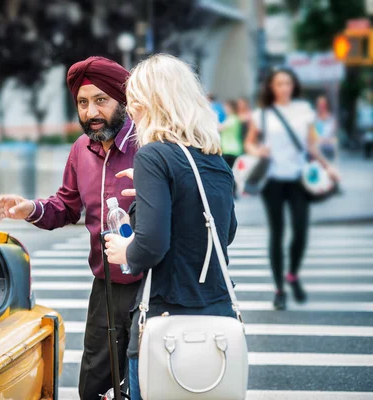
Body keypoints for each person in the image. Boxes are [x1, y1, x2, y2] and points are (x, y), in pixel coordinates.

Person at [0, 56, 141, 399]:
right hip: (106, 287)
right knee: (94, 383)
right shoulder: (81, 150)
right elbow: (65, 206)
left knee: (143, 379)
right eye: (83, 103)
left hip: (153, 284)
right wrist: (30, 208)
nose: (91, 112)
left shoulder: (149, 145)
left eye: (100, 100)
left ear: (123, 100)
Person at [103, 54, 238, 400]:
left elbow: (151, 246)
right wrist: (155, 193)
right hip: (217, 313)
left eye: (135, 103)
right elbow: (226, 230)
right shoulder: (215, 160)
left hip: (167, 316)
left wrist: (122, 252)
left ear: (152, 104)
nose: (131, 113)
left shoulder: (152, 157)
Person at [244, 67, 340, 310]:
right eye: (279, 83)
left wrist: (328, 167)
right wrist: (257, 151)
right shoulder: (262, 114)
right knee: (277, 233)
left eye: (288, 83)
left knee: (300, 231)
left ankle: (293, 274)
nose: (284, 87)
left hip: (298, 178)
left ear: (293, 85)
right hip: (272, 180)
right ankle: (279, 289)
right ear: (272, 87)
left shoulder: (304, 111)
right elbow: (250, 142)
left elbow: (312, 145)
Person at [220, 99, 244, 169]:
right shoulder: (232, 118)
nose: (224, 109)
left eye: (226, 107)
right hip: (231, 150)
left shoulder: (232, 118)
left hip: (230, 150)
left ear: (230, 108)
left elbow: (221, 128)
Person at [314, 95, 338, 162]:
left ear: (327, 105)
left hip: (328, 149)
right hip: (316, 151)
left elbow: (333, 134)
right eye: (319, 104)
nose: (321, 106)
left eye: (323, 104)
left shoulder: (332, 119)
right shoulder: (313, 118)